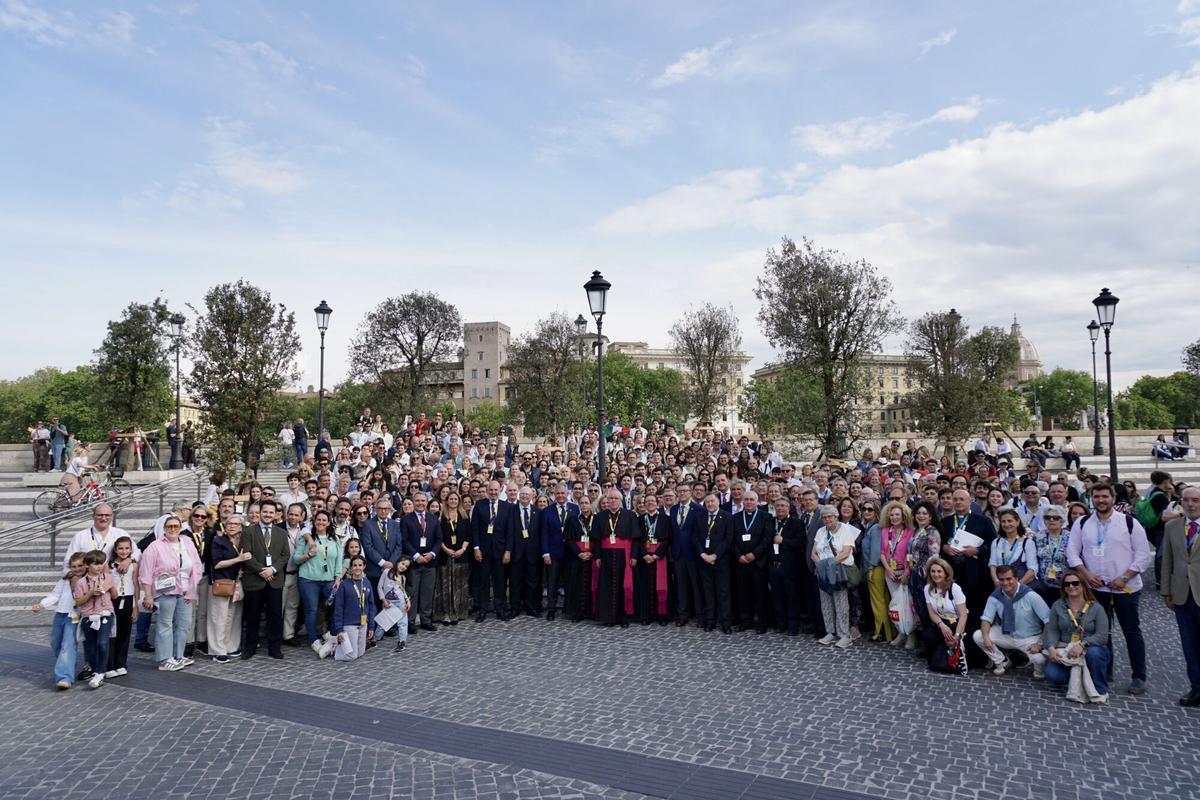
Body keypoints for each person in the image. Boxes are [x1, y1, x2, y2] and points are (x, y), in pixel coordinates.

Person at [1067, 483, 1151, 694]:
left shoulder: (1130, 523)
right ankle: (1106, 670)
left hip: (1126, 589)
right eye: (1096, 497)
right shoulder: (1082, 523)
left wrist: (1125, 577)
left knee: (1131, 632)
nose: (1101, 501)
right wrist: (1086, 575)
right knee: (1102, 633)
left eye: (1105, 496)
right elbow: (1073, 553)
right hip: (1095, 588)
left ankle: (1138, 676)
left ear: (1113, 498)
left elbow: (1142, 555)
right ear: (1091, 499)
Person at [139, 515, 203, 671]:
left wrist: (193, 590)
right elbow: (146, 572)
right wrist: (148, 594)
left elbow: (196, 565)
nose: (173, 529)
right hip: (165, 591)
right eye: (169, 526)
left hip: (186, 590)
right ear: (164, 528)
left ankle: (178, 655)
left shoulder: (187, 542)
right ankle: (165, 659)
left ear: (181, 527)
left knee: (183, 624)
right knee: (165, 624)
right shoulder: (155, 546)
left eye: (176, 526)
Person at [1043, 568, 1111, 703]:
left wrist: (1082, 645)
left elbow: (1102, 636)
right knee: (1052, 675)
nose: (1071, 587)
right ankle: (1079, 678)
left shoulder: (1097, 608)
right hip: (1067, 650)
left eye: (1075, 583)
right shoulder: (1058, 606)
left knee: (1095, 653)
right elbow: (1053, 630)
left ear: (1083, 585)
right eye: (1067, 584)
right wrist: (1051, 648)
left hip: (1090, 649)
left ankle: (1100, 689)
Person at [1160, 486, 1200, 706]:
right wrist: (1166, 591)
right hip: (1182, 595)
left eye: (1195, 500)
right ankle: (1197, 688)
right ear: (1181, 502)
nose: (1191, 504)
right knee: (1189, 645)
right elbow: (1167, 561)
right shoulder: (1173, 527)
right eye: (1187, 500)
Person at [972, 564, 1050, 678]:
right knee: (978, 635)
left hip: (1029, 638)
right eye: (1001, 580)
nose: (1005, 583)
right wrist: (986, 637)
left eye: (1009, 579)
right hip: (1006, 634)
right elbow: (986, 619)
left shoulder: (1031, 596)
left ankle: (1038, 672)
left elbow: (1049, 621)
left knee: (1039, 659)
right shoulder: (995, 596)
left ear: (1016, 579)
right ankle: (1002, 661)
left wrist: (1039, 644)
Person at [239, 499, 291, 660]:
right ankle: (250, 647)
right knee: (252, 615)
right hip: (255, 580)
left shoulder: (281, 533)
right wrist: (262, 571)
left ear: (275, 514)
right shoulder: (248, 531)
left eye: (271, 512)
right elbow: (246, 555)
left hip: (275, 580)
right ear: (260, 513)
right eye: (265, 512)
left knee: (275, 615)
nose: (268, 515)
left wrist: (272, 569)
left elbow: (285, 555)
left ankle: (274, 647)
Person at [32, 552, 87, 689]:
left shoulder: (87, 580)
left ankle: (64, 677)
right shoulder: (65, 579)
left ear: (86, 565)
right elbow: (55, 595)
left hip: (74, 616)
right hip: (60, 614)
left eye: (80, 565)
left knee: (67, 645)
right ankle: (68, 664)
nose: (77, 568)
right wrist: (42, 604)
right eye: (74, 566)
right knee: (55, 643)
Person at [293, 509, 342, 657]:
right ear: (314, 522)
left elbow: (339, 559)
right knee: (311, 610)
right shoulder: (307, 539)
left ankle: (330, 633)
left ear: (328, 523)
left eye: (324, 520)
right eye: (318, 520)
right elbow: (296, 559)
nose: (321, 522)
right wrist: (308, 554)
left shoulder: (334, 540)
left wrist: (338, 577)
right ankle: (314, 639)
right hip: (309, 580)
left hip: (328, 580)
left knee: (334, 604)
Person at [812, 504, 858, 648]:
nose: (827, 519)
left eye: (830, 516)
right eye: (824, 517)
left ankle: (844, 634)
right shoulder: (820, 531)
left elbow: (846, 552)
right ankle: (830, 632)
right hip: (823, 571)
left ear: (836, 516)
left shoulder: (845, 529)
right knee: (825, 603)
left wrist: (828, 564)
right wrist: (821, 565)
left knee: (841, 603)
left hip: (838, 570)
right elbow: (813, 553)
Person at [208, 514, 250, 664]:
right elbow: (217, 564)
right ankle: (217, 650)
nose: (232, 526)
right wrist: (238, 560)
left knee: (234, 616)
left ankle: (231, 646)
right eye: (229, 523)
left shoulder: (243, 542)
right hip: (222, 582)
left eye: (235, 524)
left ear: (241, 527)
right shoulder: (219, 541)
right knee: (219, 618)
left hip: (238, 583)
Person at [595, 487, 641, 627]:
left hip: (624, 556)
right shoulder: (600, 516)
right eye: (610, 499)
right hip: (606, 556)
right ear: (606, 501)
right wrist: (597, 556)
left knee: (624, 586)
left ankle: (623, 618)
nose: (613, 501)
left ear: (620, 501)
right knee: (607, 587)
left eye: (615, 498)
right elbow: (596, 539)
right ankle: (609, 618)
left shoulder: (630, 515)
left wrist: (634, 555)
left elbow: (636, 539)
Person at [471, 480, 515, 622]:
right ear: (487, 490)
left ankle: (500, 609)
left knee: (500, 582)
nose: (493, 492)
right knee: (483, 581)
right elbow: (475, 529)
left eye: (496, 490)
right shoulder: (479, 505)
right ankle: (483, 609)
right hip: (483, 551)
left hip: (500, 551)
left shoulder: (507, 507)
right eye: (491, 490)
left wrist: (508, 550)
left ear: (500, 490)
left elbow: (510, 531)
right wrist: (476, 548)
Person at [73, 550, 116, 689]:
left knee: (102, 643)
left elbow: (114, 596)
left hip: (105, 614)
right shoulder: (80, 582)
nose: (98, 567)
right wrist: (91, 593)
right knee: (90, 646)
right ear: (87, 565)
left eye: (101, 564)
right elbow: (78, 602)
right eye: (95, 564)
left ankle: (100, 672)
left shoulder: (107, 577)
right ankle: (95, 670)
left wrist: (110, 587)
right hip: (88, 616)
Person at [921, 558, 969, 674]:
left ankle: (952, 649)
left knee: (940, 663)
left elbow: (963, 615)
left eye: (939, 571)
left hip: (956, 622)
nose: (936, 574)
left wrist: (957, 635)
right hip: (941, 621)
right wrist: (941, 625)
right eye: (933, 571)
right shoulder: (928, 589)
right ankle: (939, 651)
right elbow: (931, 612)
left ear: (946, 573)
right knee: (927, 636)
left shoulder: (954, 588)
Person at [695, 492, 733, 633]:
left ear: (718, 502)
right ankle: (710, 621)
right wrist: (703, 555)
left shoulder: (727, 517)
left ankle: (725, 623)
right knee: (708, 592)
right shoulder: (700, 517)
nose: (710, 504)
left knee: (723, 593)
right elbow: (695, 538)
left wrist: (715, 555)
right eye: (707, 502)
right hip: (704, 561)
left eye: (712, 501)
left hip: (721, 561)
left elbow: (728, 539)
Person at [768, 495, 806, 635]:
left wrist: (784, 540)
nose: (780, 508)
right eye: (777, 506)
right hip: (773, 566)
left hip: (790, 566)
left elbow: (801, 543)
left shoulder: (797, 523)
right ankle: (781, 623)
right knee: (777, 597)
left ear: (789, 508)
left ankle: (793, 626)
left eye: (783, 506)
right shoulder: (770, 522)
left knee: (792, 597)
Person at [402, 491, 440, 632]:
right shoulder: (406, 519)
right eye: (417, 501)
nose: (420, 503)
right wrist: (416, 555)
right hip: (413, 563)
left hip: (430, 562)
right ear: (413, 501)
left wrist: (432, 554)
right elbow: (404, 540)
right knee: (412, 593)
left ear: (426, 502)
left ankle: (426, 620)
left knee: (427, 592)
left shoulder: (433, 518)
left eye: (423, 501)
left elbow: (438, 539)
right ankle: (410, 622)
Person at [540, 483, 577, 621]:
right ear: (554, 495)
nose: (561, 496)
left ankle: (570, 609)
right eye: (558, 493)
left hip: (570, 552)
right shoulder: (547, 511)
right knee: (552, 582)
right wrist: (545, 553)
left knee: (570, 582)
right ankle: (551, 609)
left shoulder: (575, 509)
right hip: (553, 553)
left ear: (567, 494)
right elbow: (543, 534)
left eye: (563, 493)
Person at [434, 491, 472, 625]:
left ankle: (458, 612)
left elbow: (469, 535)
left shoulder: (464, 516)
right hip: (445, 555)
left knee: (459, 585)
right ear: (446, 500)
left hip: (461, 556)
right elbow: (438, 536)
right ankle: (444, 614)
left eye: (456, 499)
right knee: (445, 586)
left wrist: (462, 549)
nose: (453, 501)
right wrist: (446, 549)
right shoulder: (440, 516)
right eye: (451, 499)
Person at [634, 493, 671, 625]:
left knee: (661, 587)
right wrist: (644, 555)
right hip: (644, 557)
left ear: (657, 503)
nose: (650, 503)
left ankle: (661, 616)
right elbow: (637, 540)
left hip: (659, 557)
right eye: (647, 501)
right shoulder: (640, 519)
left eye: (652, 501)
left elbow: (667, 540)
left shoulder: (665, 519)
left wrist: (656, 555)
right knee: (645, 587)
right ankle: (646, 616)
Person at [331, 555, 376, 661]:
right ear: (350, 568)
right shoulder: (344, 585)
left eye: (360, 565)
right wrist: (339, 630)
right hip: (349, 624)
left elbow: (371, 605)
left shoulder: (367, 582)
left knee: (361, 653)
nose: (357, 568)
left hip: (363, 623)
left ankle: (344, 646)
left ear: (364, 566)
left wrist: (371, 626)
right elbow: (338, 608)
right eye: (354, 565)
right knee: (352, 656)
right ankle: (333, 648)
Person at [105, 537, 138, 679]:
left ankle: (121, 664)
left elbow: (136, 585)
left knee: (125, 633)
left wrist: (136, 606)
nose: (124, 551)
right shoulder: (109, 565)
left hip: (128, 599)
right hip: (114, 600)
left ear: (131, 549)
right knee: (112, 634)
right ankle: (109, 665)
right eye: (120, 548)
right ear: (115, 550)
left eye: (127, 548)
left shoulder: (134, 565)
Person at [564, 494, 598, 622]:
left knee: (591, 585)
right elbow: (569, 540)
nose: (584, 505)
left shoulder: (597, 520)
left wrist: (591, 553)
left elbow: (600, 540)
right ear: (579, 505)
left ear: (591, 504)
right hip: (577, 558)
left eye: (586, 503)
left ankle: (591, 611)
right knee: (576, 586)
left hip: (592, 557)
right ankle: (577, 612)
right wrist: (580, 553)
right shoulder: (572, 520)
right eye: (582, 503)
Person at [989, 509, 1038, 586]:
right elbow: (992, 565)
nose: (1006, 524)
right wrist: (997, 582)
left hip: (1021, 586)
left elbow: (1032, 570)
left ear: (1017, 522)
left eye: (1009, 521)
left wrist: (1016, 586)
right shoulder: (996, 542)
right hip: (1001, 586)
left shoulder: (1027, 543)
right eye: (1003, 521)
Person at [377, 558, 412, 652]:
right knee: (383, 622)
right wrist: (383, 600)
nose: (403, 567)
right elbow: (380, 587)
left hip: (401, 603)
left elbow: (402, 590)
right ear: (397, 562)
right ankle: (375, 638)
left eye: (406, 566)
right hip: (388, 602)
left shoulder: (403, 577)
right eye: (402, 563)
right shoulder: (386, 572)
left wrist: (407, 600)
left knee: (403, 622)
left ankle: (402, 642)